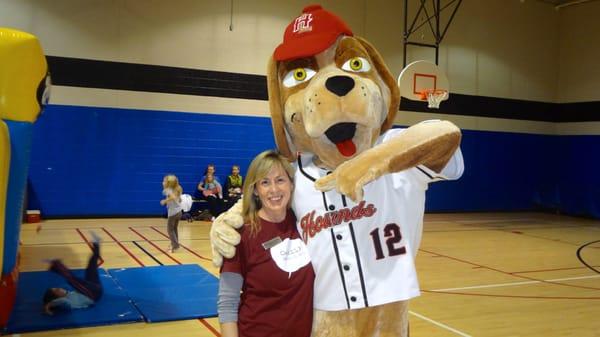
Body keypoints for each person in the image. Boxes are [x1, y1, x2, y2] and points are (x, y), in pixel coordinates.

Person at [218, 150, 314, 337]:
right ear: (255, 189)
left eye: (280, 180)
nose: (274, 190)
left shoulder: (304, 223)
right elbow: (227, 303)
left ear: (291, 184)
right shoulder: (241, 234)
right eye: (265, 182)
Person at [43, 232, 103, 315]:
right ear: (56, 297)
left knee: (91, 265)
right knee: (71, 279)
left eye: (57, 288)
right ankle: (55, 264)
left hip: (94, 289)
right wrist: (49, 305)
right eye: (57, 290)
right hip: (91, 294)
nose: (59, 288)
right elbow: (63, 302)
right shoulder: (68, 301)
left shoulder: (70, 293)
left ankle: (96, 243)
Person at [160, 174, 183, 252]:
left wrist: (165, 201)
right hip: (179, 212)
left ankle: (175, 246)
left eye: (164, 181)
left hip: (173, 213)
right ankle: (175, 243)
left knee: (170, 230)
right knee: (174, 229)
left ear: (168, 183)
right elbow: (179, 200)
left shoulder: (168, 190)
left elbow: (173, 197)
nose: (162, 182)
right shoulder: (177, 189)